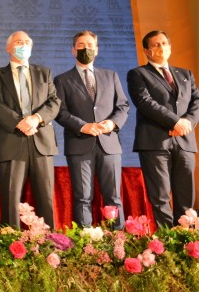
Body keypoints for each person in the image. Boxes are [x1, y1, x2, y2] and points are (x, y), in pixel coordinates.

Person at [54, 31, 129, 229]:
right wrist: (83, 126)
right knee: (83, 197)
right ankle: (85, 245)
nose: (85, 49)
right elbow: (60, 112)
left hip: (109, 144)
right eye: (80, 45)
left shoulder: (110, 75)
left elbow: (123, 106)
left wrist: (112, 124)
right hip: (79, 145)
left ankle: (118, 241)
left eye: (89, 45)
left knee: (114, 197)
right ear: (73, 50)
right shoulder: (62, 80)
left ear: (96, 50)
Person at [0, 31, 60, 229]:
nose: (24, 45)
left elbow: (54, 101)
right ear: (8, 48)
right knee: (10, 199)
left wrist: (36, 119)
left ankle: (49, 244)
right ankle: (11, 245)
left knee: (46, 198)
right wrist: (20, 122)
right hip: (11, 141)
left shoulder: (45, 73)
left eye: (27, 42)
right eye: (19, 42)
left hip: (41, 142)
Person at [127, 30, 199, 227]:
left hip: (184, 141)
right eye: (156, 44)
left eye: (165, 43)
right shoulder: (138, 74)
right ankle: (166, 243)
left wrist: (187, 123)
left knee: (186, 196)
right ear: (146, 50)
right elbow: (145, 102)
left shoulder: (185, 74)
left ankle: (186, 241)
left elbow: (196, 102)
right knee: (160, 196)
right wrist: (175, 122)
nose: (162, 47)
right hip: (154, 142)